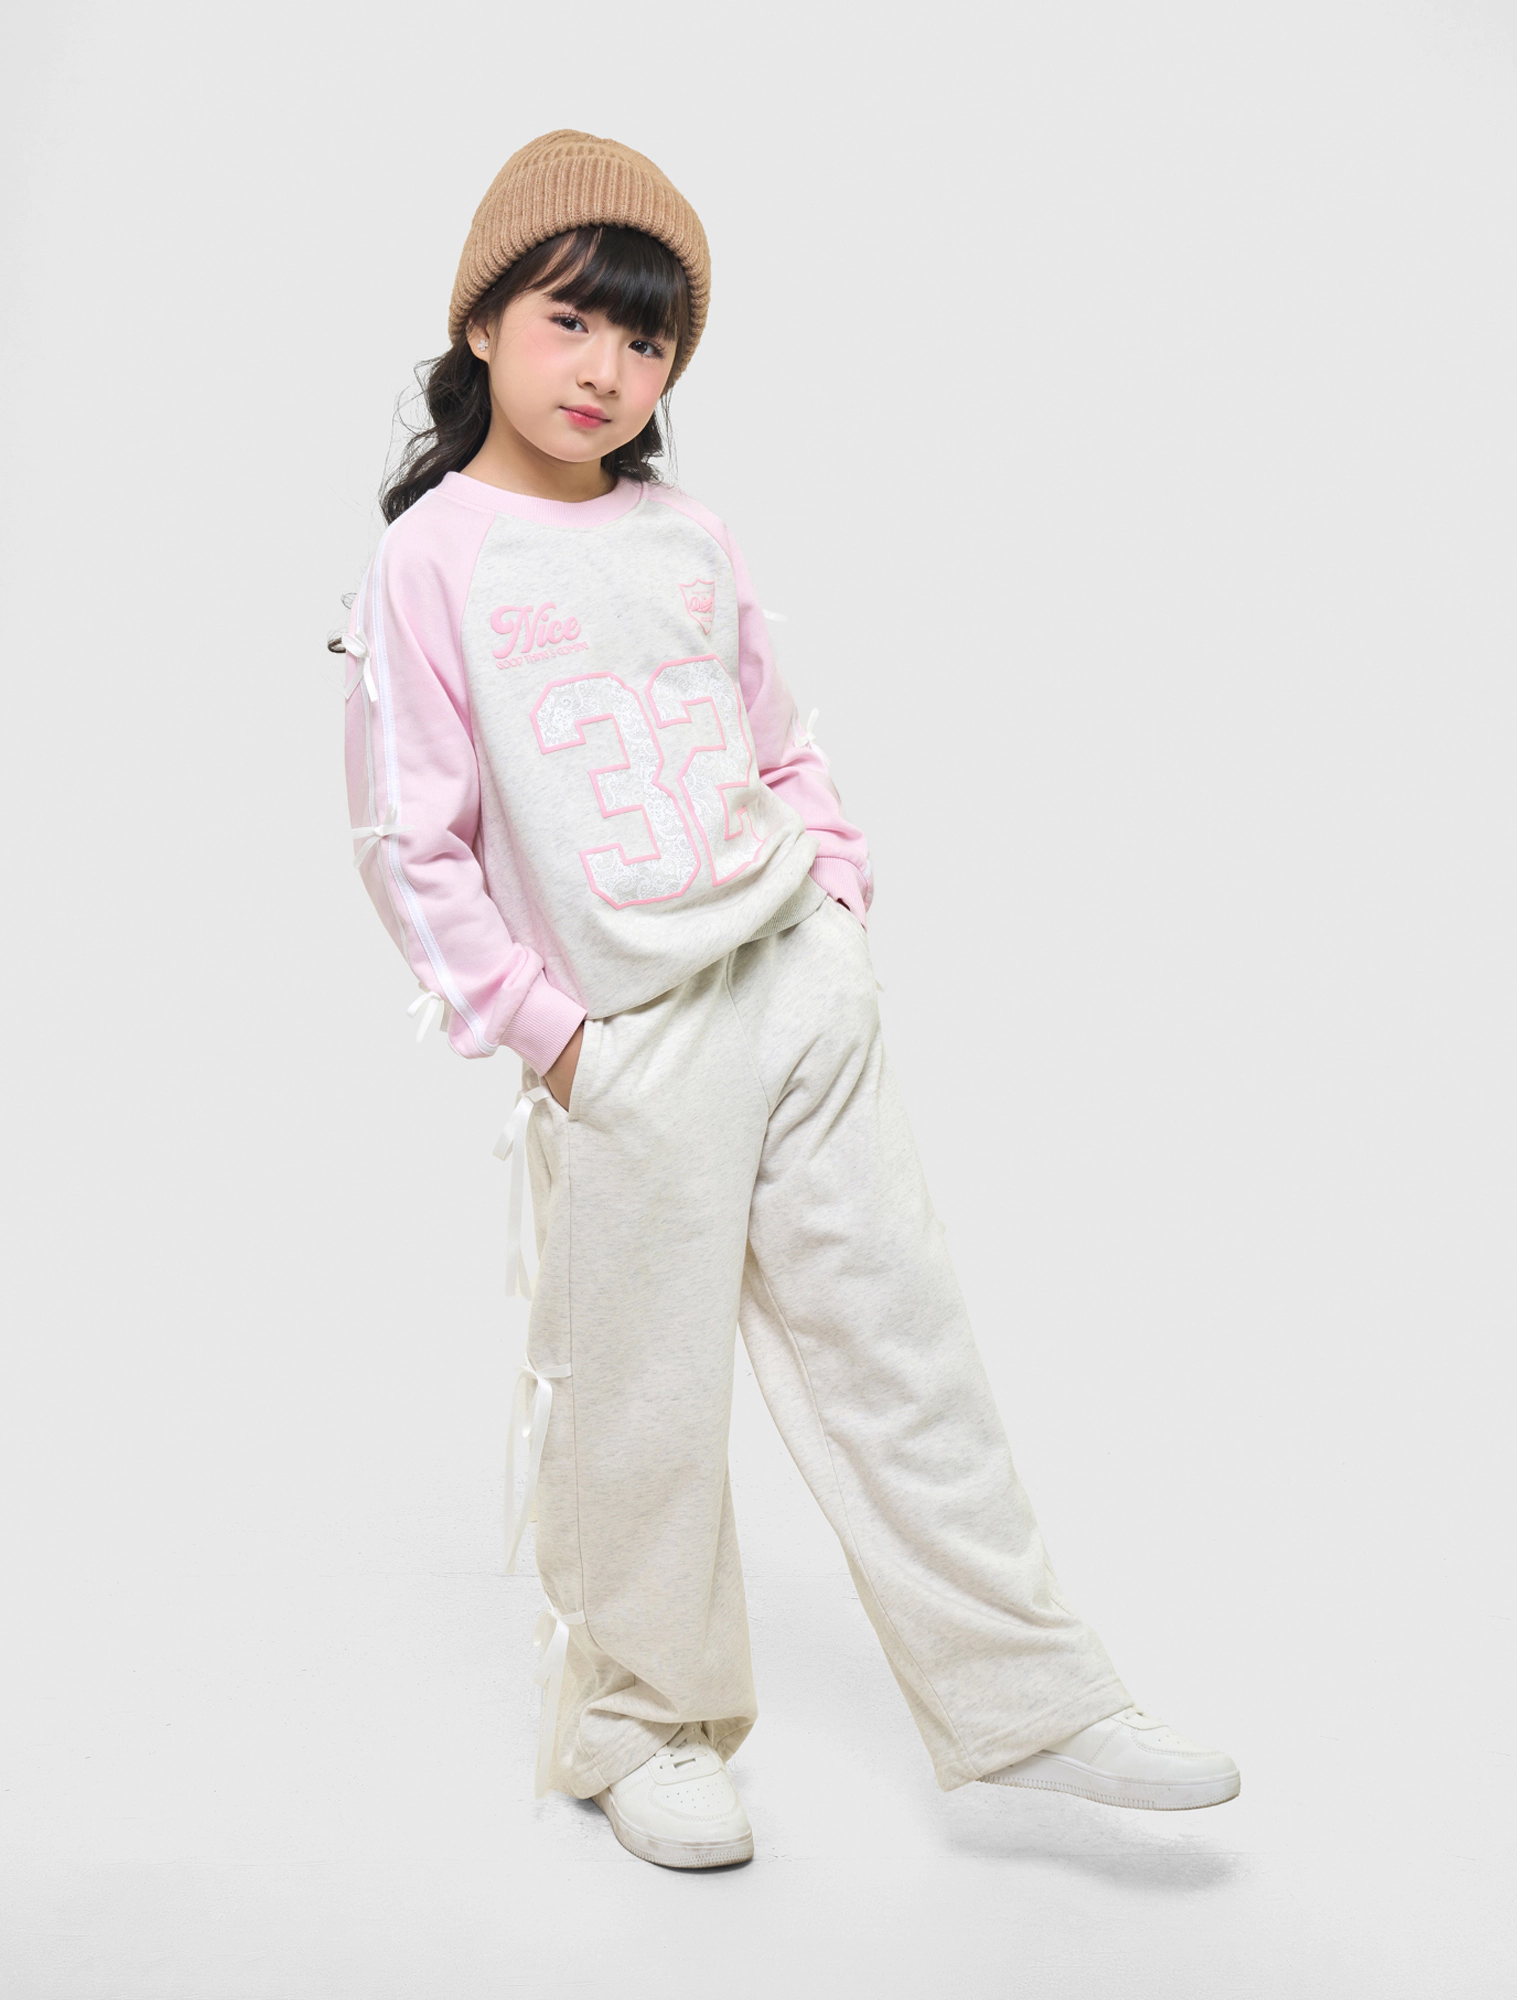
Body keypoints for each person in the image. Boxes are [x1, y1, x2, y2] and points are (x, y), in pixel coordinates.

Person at [339, 128, 1239, 1871]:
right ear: (482, 324)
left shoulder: (688, 535)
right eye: (568, 320)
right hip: (627, 1045)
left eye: (646, 338)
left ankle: (1034, 1704)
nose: (606, 368)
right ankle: (641, 1726)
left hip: (793, 994)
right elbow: (408, 843)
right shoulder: (431, 559)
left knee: (905, 1352)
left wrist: (836, 906)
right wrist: (554, 1039)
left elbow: (778, 734)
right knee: (640, 1404)